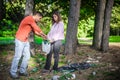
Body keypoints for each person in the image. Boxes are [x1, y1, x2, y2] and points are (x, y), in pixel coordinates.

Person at [9, 11, 47, 79]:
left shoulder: (32, 22)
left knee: (27, 56)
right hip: (19, 39)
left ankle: (22, 71)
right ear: (37, 16)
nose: (40, 20)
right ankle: (13, 72)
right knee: (17, 56)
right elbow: (36, 28)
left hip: (25, 40)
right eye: (40, 18)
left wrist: (42, 36)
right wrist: (44, 34)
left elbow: (35, 31)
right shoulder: (29, 19)